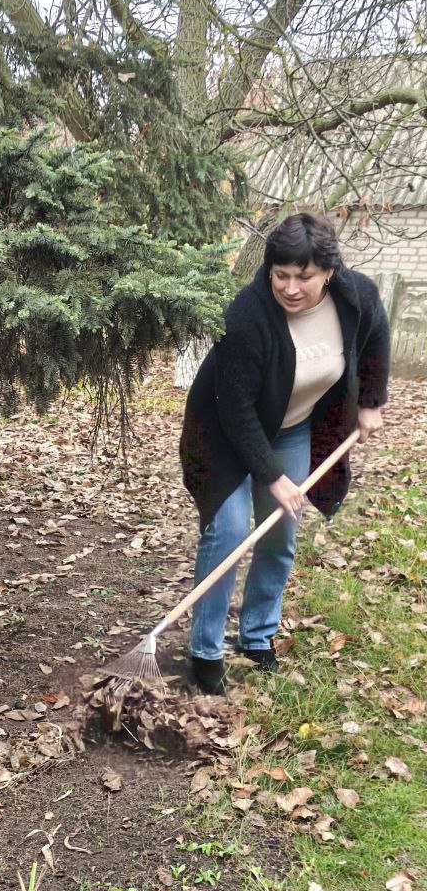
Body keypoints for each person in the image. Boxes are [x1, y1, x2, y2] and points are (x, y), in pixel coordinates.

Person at [179, 213, 390, 695]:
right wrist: (272, 476)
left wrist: (372, 400)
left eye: (303, 276)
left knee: (278, 535)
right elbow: (235, 409)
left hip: (291, 430)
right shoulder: (247, 315)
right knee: (230, 533)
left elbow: (377, 334)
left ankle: (256, 637)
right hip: (223, 435)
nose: (291, 288)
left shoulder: (355, 296)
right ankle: (205, 651)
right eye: (281, 275)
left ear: (329, 272)